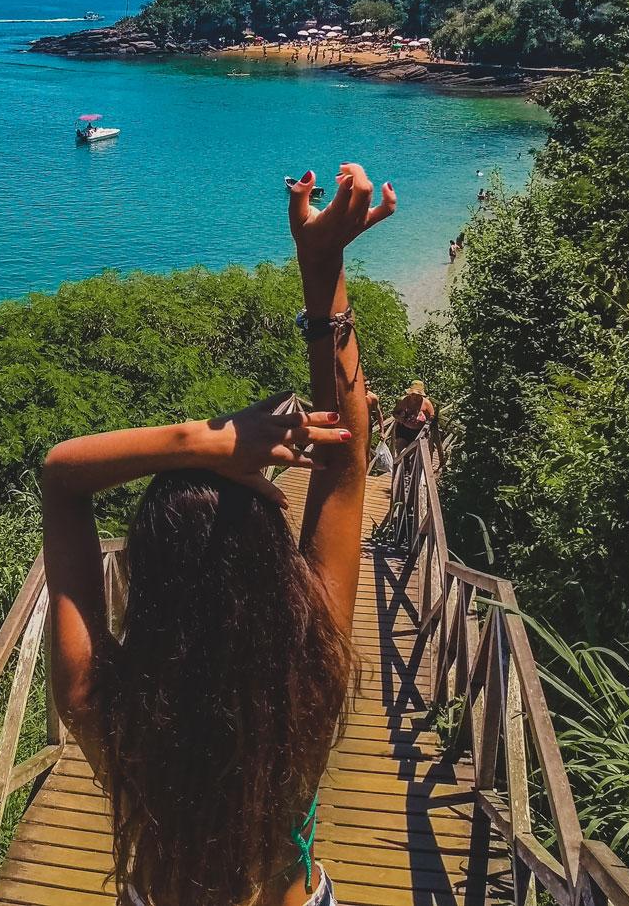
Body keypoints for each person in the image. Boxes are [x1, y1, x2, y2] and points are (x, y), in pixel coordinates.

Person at [42, 163, 397, 906]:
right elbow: (346, 461)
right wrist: (321, 266)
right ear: (276, 572)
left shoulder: (104, 706)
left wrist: (197, 441)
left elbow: (61, 475)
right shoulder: (314, 679)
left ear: (148, 579)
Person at [392, 380, 435, 452]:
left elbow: (432, 417)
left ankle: (409, 461)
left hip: (418, 432)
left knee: (413, 452)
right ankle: (400, 462)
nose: (415, 397)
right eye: (413, 394)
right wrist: (400, 418)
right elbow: (394, 413)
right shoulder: (404, 400)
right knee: (399, 447)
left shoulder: (426, 403)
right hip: (403, 429)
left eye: (418, 395)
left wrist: (425, 420)